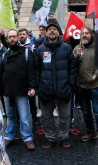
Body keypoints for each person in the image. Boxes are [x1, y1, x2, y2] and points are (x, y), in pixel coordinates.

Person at [34, 20, 77, 149]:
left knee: (64, 116)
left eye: (54, 29)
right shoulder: (40, 49)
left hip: (63, 88)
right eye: (50, 29)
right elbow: (37, 69)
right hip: (46, 89)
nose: (52, 31)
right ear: (46, 33)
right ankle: (50, 138)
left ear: (58, 32)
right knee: (47, 117)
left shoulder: (66, 48)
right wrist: (39, 86)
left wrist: (70, 85)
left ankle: (64, 137)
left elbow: (72, 68)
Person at [0, 29, 36, 151]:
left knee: (24, 118)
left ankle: (28, 138)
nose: (12, 39)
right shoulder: (4, 55)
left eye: (14, 36)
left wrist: (32, 87)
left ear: (18, 37)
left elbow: (31, 73)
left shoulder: (27, 53)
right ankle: (9, 136)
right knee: (10, 116)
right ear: (7, 39)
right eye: (10, 37)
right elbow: (0, 75)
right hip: (7, 92)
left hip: (21, 91)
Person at [73, 27, 98, 146]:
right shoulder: (77, 48)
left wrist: (97, 75)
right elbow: (72, 65)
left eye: (87, 33)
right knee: (85, 111)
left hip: (95, 86)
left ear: (92, 35)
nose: (84, 35)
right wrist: (77, 57)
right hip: (81, 86)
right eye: (82, 33)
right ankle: (91, 132)